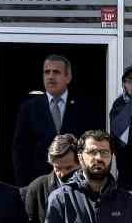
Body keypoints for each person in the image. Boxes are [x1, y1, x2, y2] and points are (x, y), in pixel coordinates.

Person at [11, 54, 100, 187]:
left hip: (77, 182)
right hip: (39, 183)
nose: (50, 76)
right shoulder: (29, 108)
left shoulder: (85, 107)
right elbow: (20, 150)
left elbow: (92, 145)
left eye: (56, 72)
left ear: (68, 77)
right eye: (47, 72)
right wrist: (24, 186)